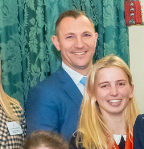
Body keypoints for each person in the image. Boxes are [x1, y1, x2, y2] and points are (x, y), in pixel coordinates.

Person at [25, 10, 98, 140]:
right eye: (70, 37)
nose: (79, 44)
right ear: (57, 42)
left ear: (95, 38)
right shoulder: (44, 94)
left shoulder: (113, 86)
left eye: (86, 35)